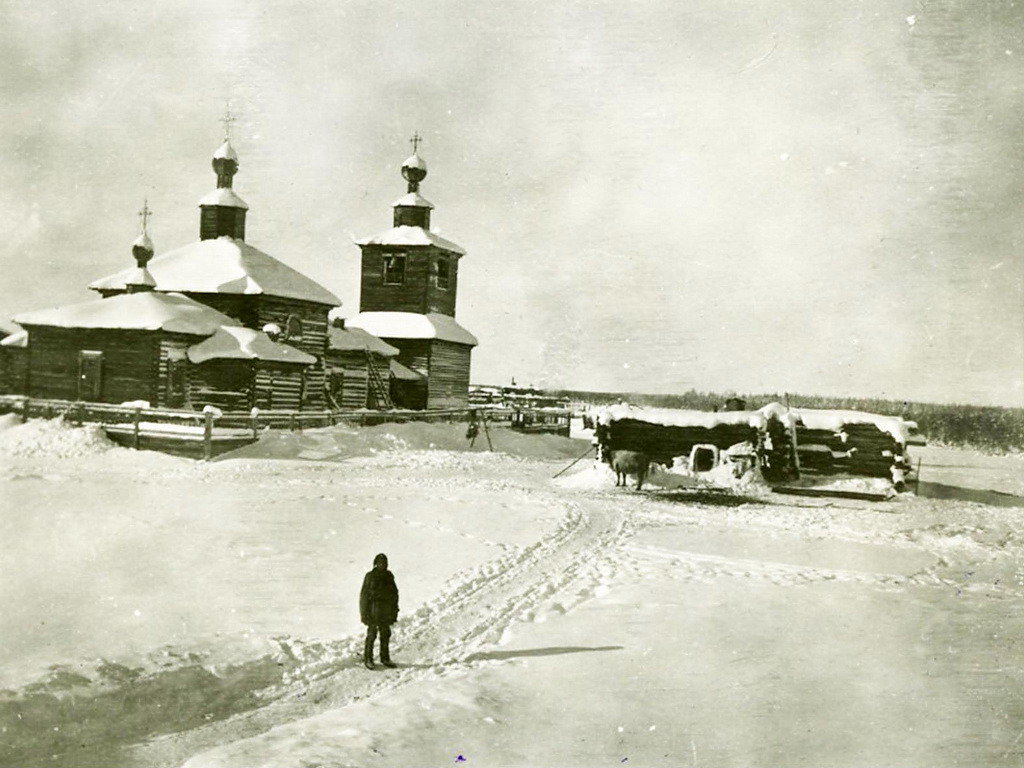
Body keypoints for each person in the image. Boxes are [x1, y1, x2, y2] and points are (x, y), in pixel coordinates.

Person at [360, 552, 399, 669]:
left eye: (384, 563)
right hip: (373, 610)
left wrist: (394, 610)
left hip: (386, 611)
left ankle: (385, 658)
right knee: (371, 634)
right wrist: (364, 614)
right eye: (380, 563)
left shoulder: (389, 576)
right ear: (375, 564)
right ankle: (368, 659)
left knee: (385, 634)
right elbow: (364, 596)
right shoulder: (370, 576)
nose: (382, 565)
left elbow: (394, 594)